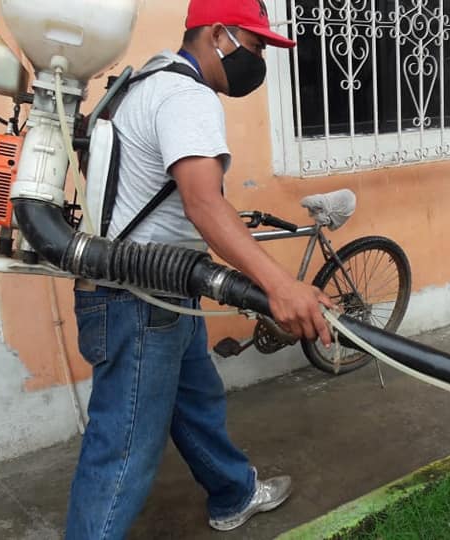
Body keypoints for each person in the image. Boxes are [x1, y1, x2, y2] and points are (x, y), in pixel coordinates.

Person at [66, 1, 333, 537]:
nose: (258, 61)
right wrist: (280, 285)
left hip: (163, 288)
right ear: (217, 35)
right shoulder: (187, 95)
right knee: (123, 450)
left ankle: (234, 493)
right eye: (254, 46)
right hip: (138, 297)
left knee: (195, 401)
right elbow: (204, 203)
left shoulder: (144, 82)